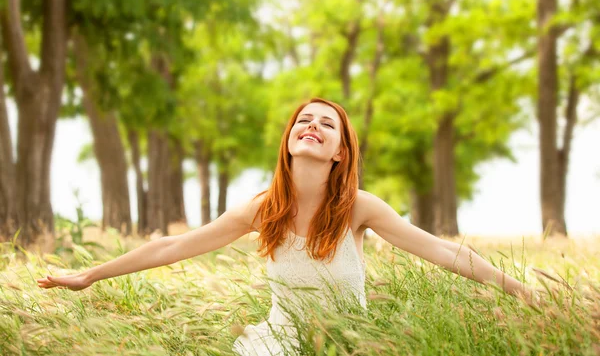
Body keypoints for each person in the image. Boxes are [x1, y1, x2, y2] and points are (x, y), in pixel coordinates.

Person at [37, 98, 538, 355]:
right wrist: (89, 275)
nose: (312, 126)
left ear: (340, 151)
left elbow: (444, 252)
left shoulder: (360, 207)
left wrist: (521, 291)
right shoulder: (262, 210)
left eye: (326, 124)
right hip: (275, 344)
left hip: (348, 341)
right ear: (290, 139)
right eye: (304, 120)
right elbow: (173, 246)